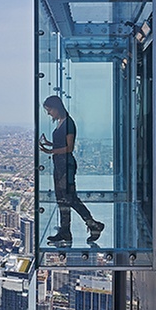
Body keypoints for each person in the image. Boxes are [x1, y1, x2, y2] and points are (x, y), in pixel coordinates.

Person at [39, 95, 105, 245]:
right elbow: (61, 144)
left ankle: (93, 225)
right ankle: (65, 232)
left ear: (57, 107)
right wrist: (49, 144)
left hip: (66, 166)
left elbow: (69, 148)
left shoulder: (69, 123)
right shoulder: (61, 122)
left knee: (70, 199)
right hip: (60, 165)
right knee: (62, 199)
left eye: (49, 110)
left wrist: (51, 151)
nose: (49, 113)